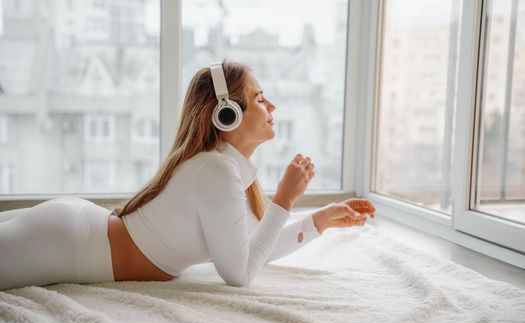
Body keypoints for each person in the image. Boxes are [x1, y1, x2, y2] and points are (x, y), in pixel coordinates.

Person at [0, 61, 375, 291]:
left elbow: (250, 251)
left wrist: (320, 220)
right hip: (72, 244)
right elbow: (240, 274)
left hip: (76, 234)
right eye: (260, 98)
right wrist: (284, 200)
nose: (272, 105)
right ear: (226, 115)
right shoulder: (215, 172)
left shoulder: (225, 172)